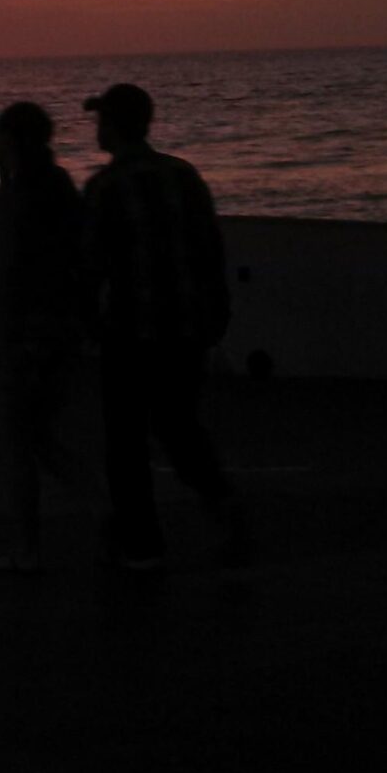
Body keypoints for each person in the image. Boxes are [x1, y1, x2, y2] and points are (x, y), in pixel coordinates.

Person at [80, 83, 245, 570]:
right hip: (186, 326)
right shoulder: (183, 175)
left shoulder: (105, 187)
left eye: (101, 120)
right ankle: (220, 501)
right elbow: (210, 251)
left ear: (112, 125)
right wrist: (217, 312)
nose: (97, 129)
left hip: (131, 329)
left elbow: (91, 267)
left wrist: (88, 320)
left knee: (125, 439)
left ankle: (144, 543)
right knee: (178, 424)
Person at [0, 102, 102, 571]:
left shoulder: (13, 198)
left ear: (10, 141)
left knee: (21, 440)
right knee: (42, 434)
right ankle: (99, 507)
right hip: (62, 326)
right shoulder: (60, 187)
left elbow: (8, 271)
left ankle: (28, 546)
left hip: (26, 331)